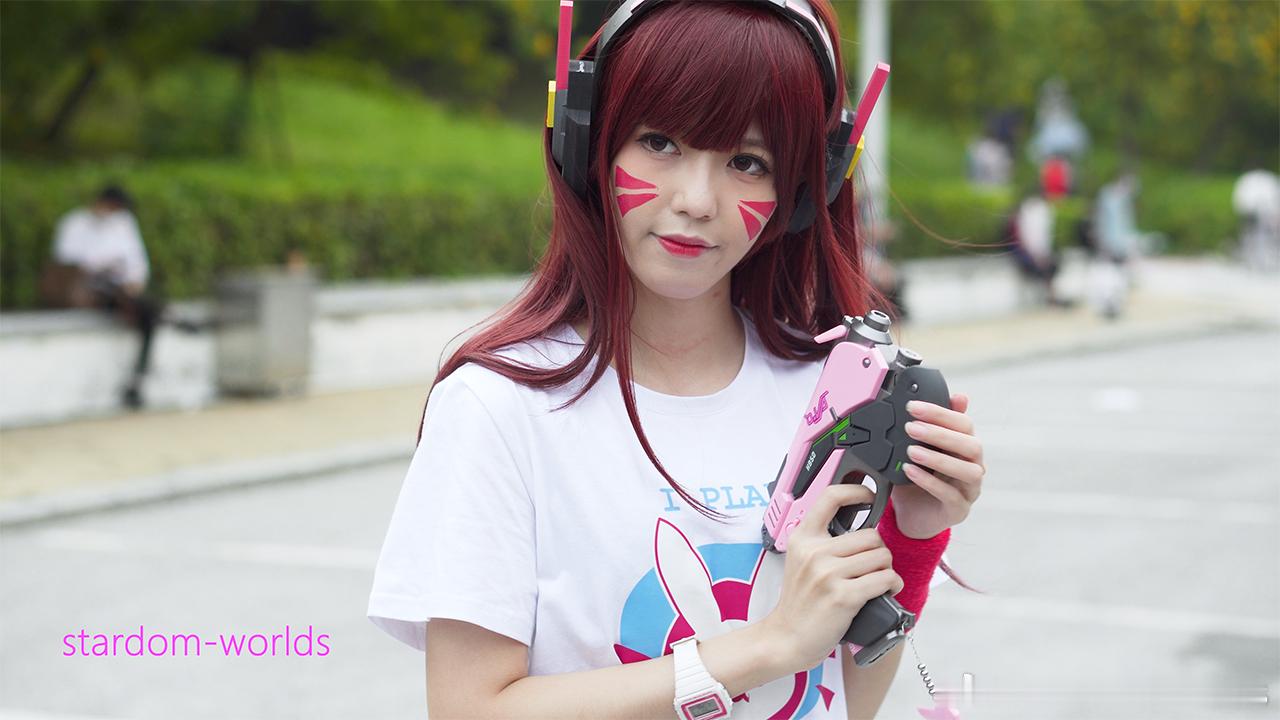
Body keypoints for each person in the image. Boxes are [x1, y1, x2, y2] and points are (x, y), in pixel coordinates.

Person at [367, 2, 986, 718]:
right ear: (586, 141)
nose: (696, 200)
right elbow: (469, 709)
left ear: (801, 191)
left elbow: (846, 700)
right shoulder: (498, 408)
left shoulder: (832, 397)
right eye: (660, 142)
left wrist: (915, 532)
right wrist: (766, 646)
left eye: (747, 162)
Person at [44, 185, 160, 409]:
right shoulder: (74, 223)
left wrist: (133, 281)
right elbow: (68, 264)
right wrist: (102, 266)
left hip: (121, 290)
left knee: (149, 312)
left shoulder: (123, 224)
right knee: (141, 308)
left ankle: (138, 378)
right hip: (90, 291)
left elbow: (136, 262)